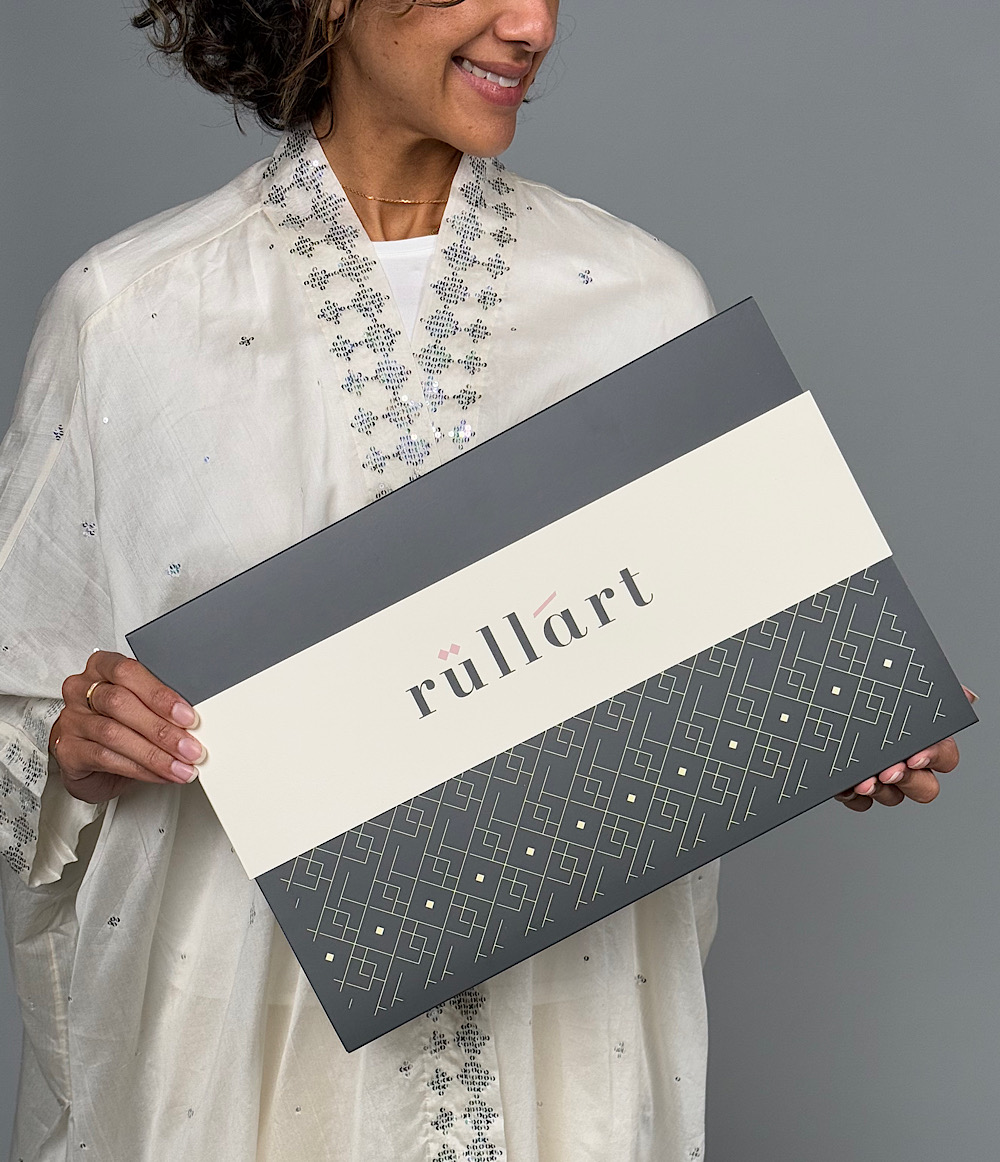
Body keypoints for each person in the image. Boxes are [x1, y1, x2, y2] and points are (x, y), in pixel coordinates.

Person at [0, 1, 970, 1159]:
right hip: (236, 1055)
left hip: (566, 1038)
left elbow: (696, 662)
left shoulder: (635, 298)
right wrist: (74, 748)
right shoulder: (134, 312)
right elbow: (21, 706)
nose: (534, 23)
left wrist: (828, 720)